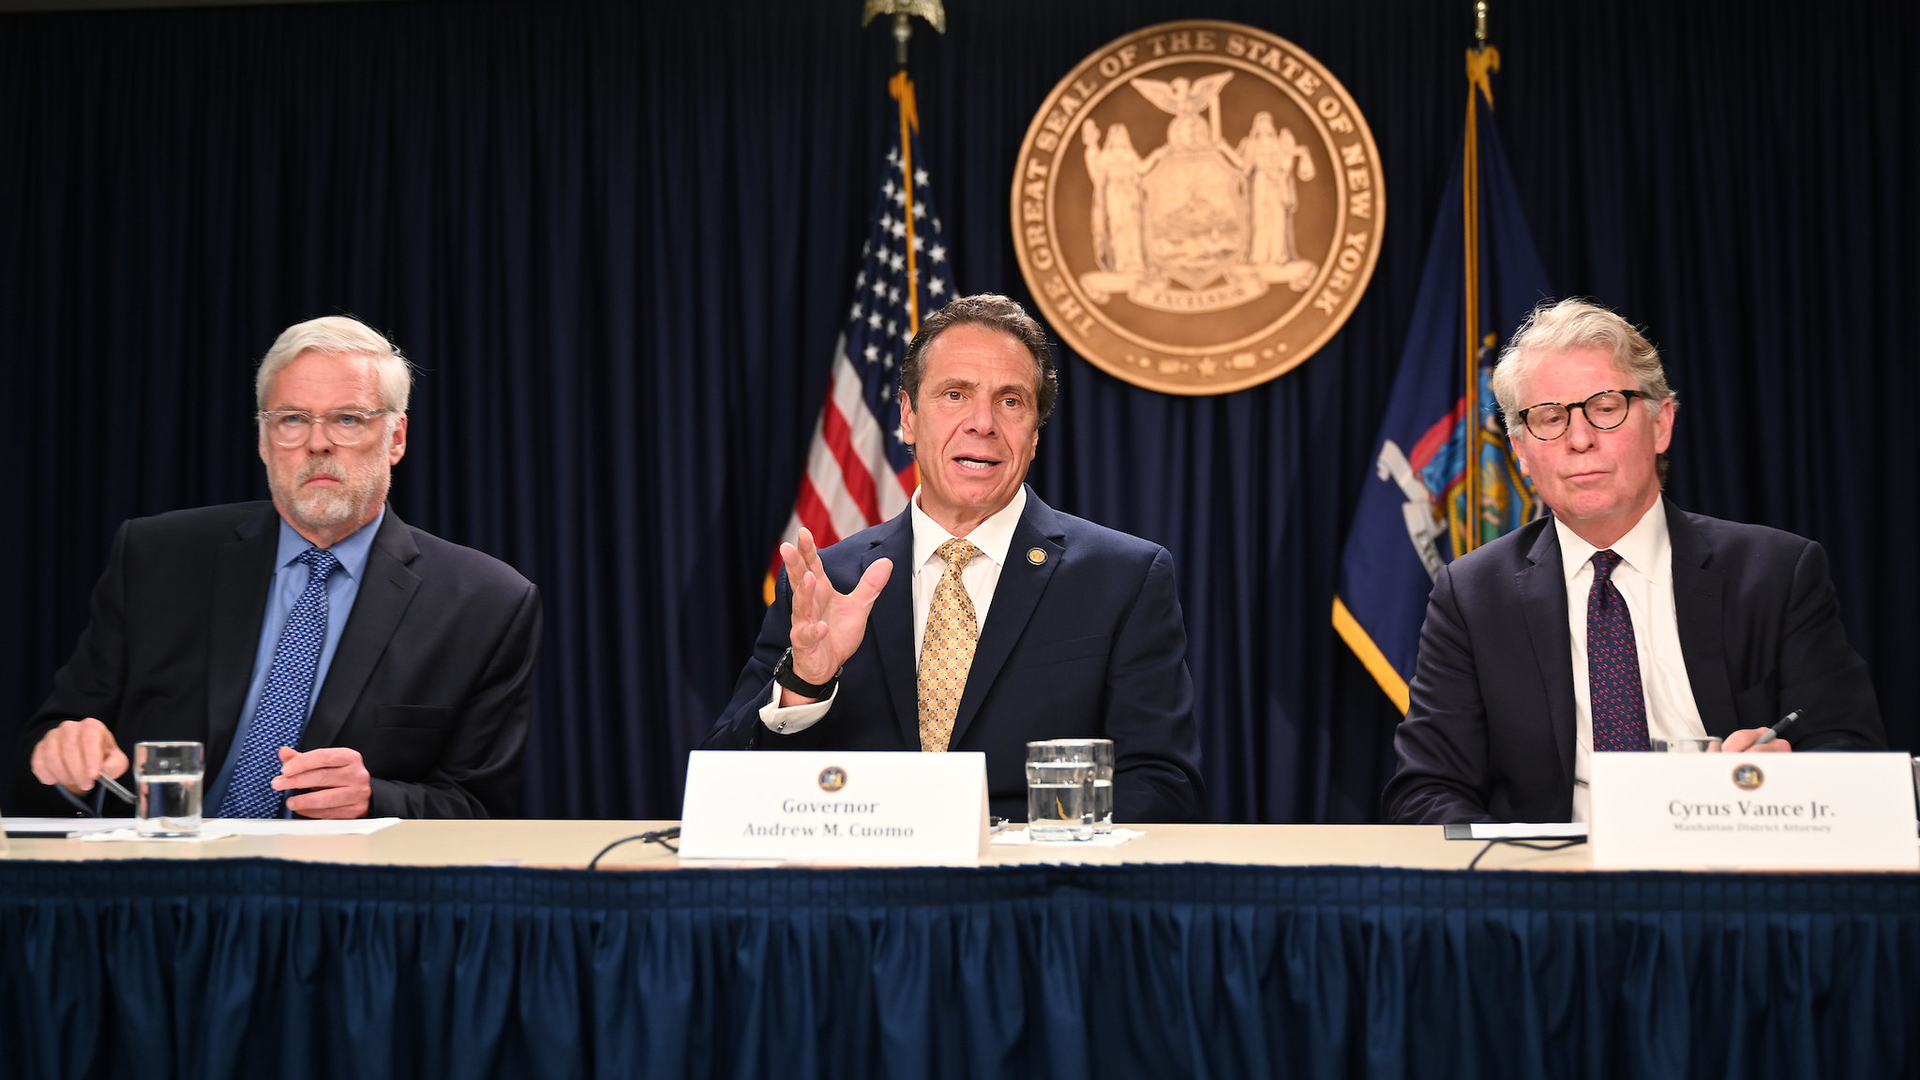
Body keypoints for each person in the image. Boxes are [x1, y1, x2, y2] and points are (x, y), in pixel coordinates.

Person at [17, 316, 541, 819]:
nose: (318, 443)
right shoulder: (157, 557)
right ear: (264, 441)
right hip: (162, 872)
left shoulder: (486, 603)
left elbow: (479, 807)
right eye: (291, 419)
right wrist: (63, 751)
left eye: (348, 419)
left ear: (396, 438)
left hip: (343, 892)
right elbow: (51, 739)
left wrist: (374, 800)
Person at [707, 294, 1205, 823]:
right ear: (908, 417)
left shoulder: (1123, 578)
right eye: (954, 394)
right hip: (861, 888)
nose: (983, 423)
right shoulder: (827, 583)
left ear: (1034, 435)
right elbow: (724, 784)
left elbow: (1163, 782)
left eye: (1011, 401)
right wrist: (806, 683)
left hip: (1034, 891)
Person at [1383, 299, 1883, 824]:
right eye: (1549, 418)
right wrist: (1524, 877)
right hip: (1552, 886)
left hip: (1730, 873)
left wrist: (1784, 781)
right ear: (1521, 453)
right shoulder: (1473, 594)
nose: (1579, 439)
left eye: (1605, 408)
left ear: (1661, 423)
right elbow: (1426, 789)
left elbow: (1849, 751)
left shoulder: (1777, 572)